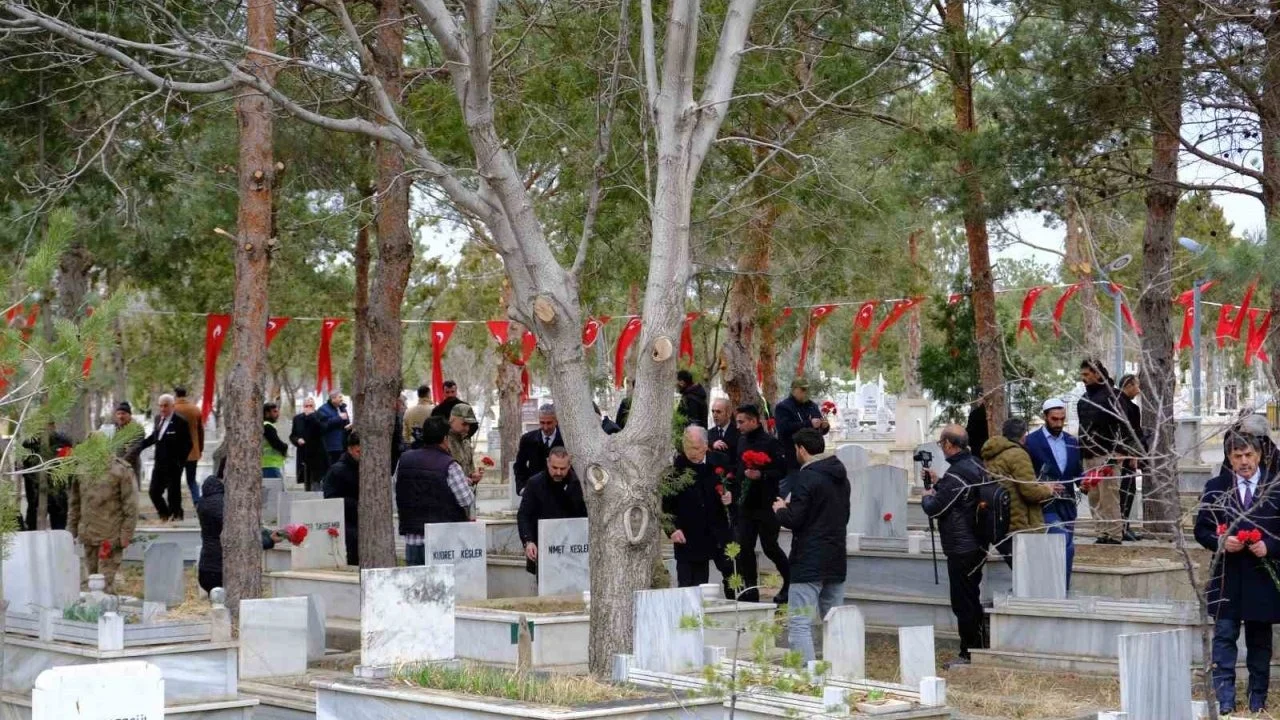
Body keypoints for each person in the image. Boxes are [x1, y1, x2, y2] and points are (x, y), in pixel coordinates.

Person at [1195, 431, 1280, 715]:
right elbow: (1201, 529)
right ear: (1229, 459)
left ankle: (1258, 698)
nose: (1244, 462)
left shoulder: (1276, 486)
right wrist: (1219, 541)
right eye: (1237, 456)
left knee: (1259, 641)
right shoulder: (1216, 487)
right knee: (1224, 636)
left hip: (1262, 577)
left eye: (1249, 455)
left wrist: (1269, 546)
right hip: (1226, 578)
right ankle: (1225, 699)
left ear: (1259, 455)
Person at [772, 428, 850, 662]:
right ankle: (839, 670)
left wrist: (780, 510)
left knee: (799, 622)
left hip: (808, 559)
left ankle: (806, 674)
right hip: (835, 556)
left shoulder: (806, 477)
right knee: (834, 621)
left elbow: (795, 519)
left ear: (802, 449)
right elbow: (843, 515)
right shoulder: (840, 476)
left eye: (795, 449)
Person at [921, 424, 987, 669]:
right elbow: (960, 498)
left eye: (941, 443)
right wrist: (939, 483)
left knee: (963, 602)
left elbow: (935, 508)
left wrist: (927, 495)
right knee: (971, 597)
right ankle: (977, 646)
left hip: (961, 546)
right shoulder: (976, 464)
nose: (941, 447)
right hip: (977, 542)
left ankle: (968, 652)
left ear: (949, 444)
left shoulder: (957, 474)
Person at [731, 404, 791, 604]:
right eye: (737, 422)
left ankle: (789, 581)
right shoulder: (741, 440)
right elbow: (738, 469)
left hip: (766, 505)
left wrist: (762, 475)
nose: (738, 426)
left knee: (770, 547)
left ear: (753, 421)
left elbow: (781, 470)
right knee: (745, 548)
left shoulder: (770, 442)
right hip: (746, 505)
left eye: (741, 422)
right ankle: (750, 589)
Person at [664, 426, 734, 594]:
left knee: (732, 574)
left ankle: (736, 602)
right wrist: (672, 530)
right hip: (689, 534)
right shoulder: (675, 468)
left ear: (705, 446)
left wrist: (731, 495)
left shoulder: (720, 461)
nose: (691, 453)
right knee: (691, 585)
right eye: (687, 447)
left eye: (695, 448)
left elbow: (735, 485)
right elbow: (665, 506)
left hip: (717, 529)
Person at [397, 417, 476, 565]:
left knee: (416, 579)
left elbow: (399, 488)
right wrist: (467, 484)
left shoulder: (404, 460)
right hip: (442, 541)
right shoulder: (449, 465)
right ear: (445, 438)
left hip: (412, 538)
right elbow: (466, 500)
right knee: (442, 580)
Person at [981, 417, 1057, 567]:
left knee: (1018, 572)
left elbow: (1012, 484)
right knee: (1029, 573)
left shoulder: (992, 454)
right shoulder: (1018, 454)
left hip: (1003, 522)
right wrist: (1049, 489)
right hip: (1022, 526)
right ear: (1024, 435)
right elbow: (1030, 493)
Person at [1026, 398, 1084, 588]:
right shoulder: (1031, 442)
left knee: (1064, 549)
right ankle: (1057, 590)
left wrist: (1086, 483)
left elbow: (1076, 473)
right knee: (1063, 543)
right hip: (1045, 505)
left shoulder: (1072, 442)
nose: (1059, 423)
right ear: (1045, 417)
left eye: (1062, 419)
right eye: (1054, 419)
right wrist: (1044, 485)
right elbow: (1025, 476)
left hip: (1068, 506)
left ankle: (1060, 590)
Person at [196, 474, 282, 593]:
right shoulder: (224, 504)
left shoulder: (204, 501)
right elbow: (240, 537)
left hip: (207, 566)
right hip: (224, 569)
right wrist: (269, 540)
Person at [68, 455, 137, 593]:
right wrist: (71, 530)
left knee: (104, 583)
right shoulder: (82, 469)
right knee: (92, 581)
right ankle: (98, 604)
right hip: (88, 535)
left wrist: (126, 533)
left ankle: (107, 604)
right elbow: (75, 502)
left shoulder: (120, 470)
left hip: (110, 537)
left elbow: (131, 505)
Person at [517, 447, 587, 574]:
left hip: (574, 551)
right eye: (555, 468)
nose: (558, 472)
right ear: (548, 463)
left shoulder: (579, 484)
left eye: (563, 469)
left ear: (569, 465)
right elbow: (524, 515)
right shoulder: (534, 484)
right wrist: (528, 541)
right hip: (543, 549)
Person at [1077, 358, 1124, 544]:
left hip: (1107, 455)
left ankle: (1114, 534)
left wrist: (1117, 453)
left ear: (1097, 374)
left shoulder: (1113, 397)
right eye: (1082, 375)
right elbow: (1082, 429)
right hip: (1088, 455)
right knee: (1094, 497)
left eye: (1087, 374)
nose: (1083, 378)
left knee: (1109, 497)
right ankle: (1102, 532)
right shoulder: (1083, 400)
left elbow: (1123, 427)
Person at [135, 393, 194, 523]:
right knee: (154, 492)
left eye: (166, 406)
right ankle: (164, 514)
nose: (163, 409)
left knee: (173, 493)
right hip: (159, 463)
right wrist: (139, 447)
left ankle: (176, 516)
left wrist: (180, 462)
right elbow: (154, 437)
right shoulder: (158, 419)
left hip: (174, 464)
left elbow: (188, 444)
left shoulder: (181, 422)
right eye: (160, 406)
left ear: (172, 406)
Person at [21, 422, 73, 530]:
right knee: (33, 528)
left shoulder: (63, 443)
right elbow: (25, 470)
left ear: (53, 426)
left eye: (48, 425)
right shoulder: (29, 445)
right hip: (35, 496)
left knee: (59, 528)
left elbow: (69, 466)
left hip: (58, 496)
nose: (44, 429)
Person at [322, 432, 362, 566]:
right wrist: (355, 504)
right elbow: (330, 498)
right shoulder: (337, 470)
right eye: (358, 451)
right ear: (350, 449)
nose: (361, 455)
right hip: (347, 521)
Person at [773, 378, 830, 470]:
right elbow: (784, 428)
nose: (806, 392)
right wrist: (809, 423)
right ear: (794, 390)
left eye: (808, 389)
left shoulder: (812, 406)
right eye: (803, 389)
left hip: (812, 454)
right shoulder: (783, 407)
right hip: (792, 454)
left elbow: (819, 428)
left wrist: (824, 426)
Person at [513, 404, 564, 495]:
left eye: (549, 423)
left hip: (560, 492)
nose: (545, 427)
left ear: (556, 421)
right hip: (535, 492)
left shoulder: (566, 440)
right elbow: (519, 466)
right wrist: (522, 487)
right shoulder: (527, 439)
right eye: (542, 423)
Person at [1117, 374, 1144, 541]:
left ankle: (1123, 526)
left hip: (1119, 454)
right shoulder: (1128, 408)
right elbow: (1131, 433)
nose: (1138, 390)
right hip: (1125, 455)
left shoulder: (1118, 404)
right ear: (1128, 385)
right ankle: (1123, 527)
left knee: (1126, 491)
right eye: (1136, 386)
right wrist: (1133, 454)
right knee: (1127, 491)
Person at [447, 403, 484, 515]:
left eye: (469, 425)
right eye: (464, 424)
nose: (467, 428)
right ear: (452, 419)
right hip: (449, 501)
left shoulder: (466, 441)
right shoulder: (444, 441)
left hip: (467, 499)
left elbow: (469, 469)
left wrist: (474, 476)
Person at [172, 387, 205, 505]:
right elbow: (201, 431)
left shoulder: (172, 409)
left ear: (176, 395)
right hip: (192, 451)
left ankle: (175, 504)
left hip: (176, 453)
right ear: (186, 395)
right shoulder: (195, 409)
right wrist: (200, 449)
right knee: (191, 480)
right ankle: (197, 501)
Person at [289, 397, 329, 491]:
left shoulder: (321, 416)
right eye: (306, 406)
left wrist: (312, 416)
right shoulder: (297, 418)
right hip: (304, 453)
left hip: (317, 453)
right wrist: (297, 440)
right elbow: (293, 435)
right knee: (306, 481)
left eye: (311, 406)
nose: (308, 408)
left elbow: (322, 430)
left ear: (314, 406)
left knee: (317, 480)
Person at [104, 401, 145, 488]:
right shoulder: (115, 429)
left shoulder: (137, 429)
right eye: (118, 414)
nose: (120, 416)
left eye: (123, 413)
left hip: (130, 468)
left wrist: (120, 463)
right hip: (115, 469)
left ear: (129, 415)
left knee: (131, 493)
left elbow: (134, 450)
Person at [316, 391, 351, 464]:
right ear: (333, 399)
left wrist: (349, 426)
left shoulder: (342, 408)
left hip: (344, 446)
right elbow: (323, 425)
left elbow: (345, 423)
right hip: (332, 448)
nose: (342, 399)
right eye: (340, 397)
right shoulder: (323, 409)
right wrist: (339, 418)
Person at [262, 402, 289, 479]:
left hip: (268, 465)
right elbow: (276, 443)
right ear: (267, 413)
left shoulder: (265, 425)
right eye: (274, 411)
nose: (277, 414)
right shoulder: (267, 426)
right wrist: (285, 447)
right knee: (276, 486)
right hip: (270, 466)